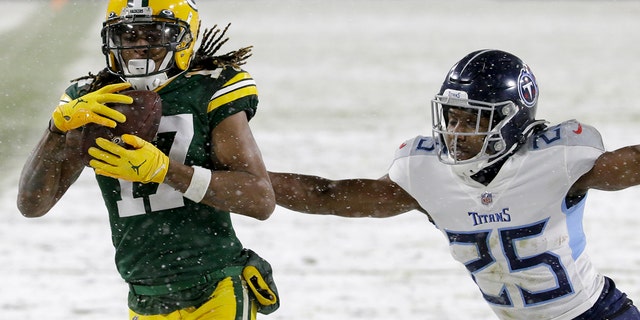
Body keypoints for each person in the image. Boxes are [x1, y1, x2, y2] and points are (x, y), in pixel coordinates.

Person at [269, 49, 640, 319]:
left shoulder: (556, 160)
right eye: (452, 118)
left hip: (597, 314)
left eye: (472, 121)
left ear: (510, 121)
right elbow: (328, 196)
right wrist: (247, 182)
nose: (455, 133)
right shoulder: (425, 173)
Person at [17, 0, 280, 319]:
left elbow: (259, 199)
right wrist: (56, 129)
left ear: (184, 38)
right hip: (144, 298)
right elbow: (32, 205)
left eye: (154, 35)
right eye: (128, 36)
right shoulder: (92, 98)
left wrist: (166, 170)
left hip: (215, 287)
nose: (139, 47)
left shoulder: (208, 88)